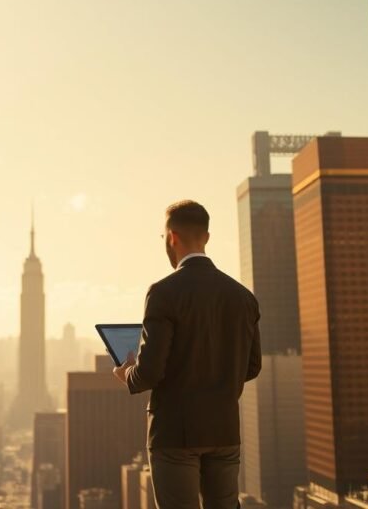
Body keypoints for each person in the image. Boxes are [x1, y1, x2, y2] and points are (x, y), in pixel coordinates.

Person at [113, 200, 261, 509]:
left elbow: (149, 373)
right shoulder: (243, 297)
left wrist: (127, 372)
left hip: (174, 435)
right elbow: (252, 367)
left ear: (171, 238)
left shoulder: (163, 292)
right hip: (224, 431)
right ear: (206, 237)